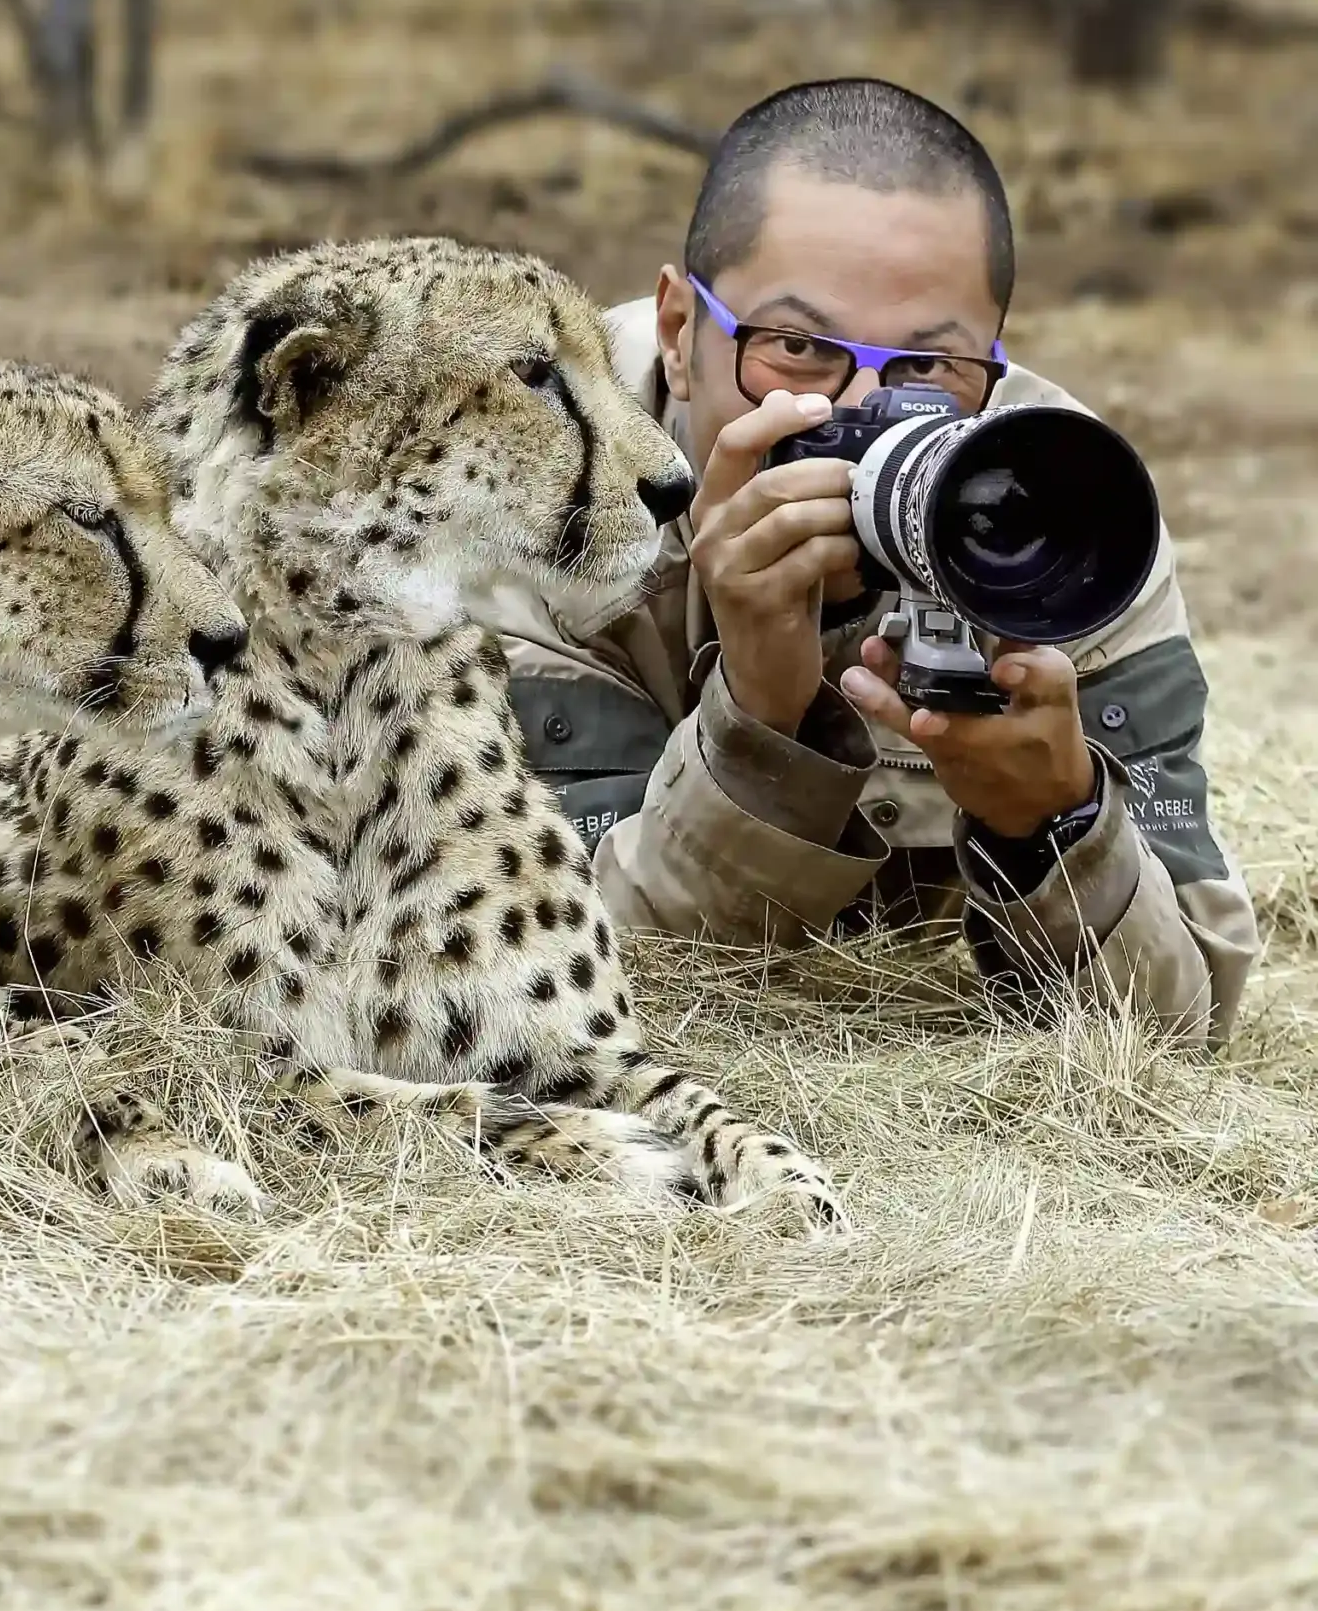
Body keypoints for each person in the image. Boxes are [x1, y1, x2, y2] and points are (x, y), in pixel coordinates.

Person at [493, 77, 1258, 1046]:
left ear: (994, 362)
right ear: (683, 336)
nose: (860, 414)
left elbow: (1183, 1024)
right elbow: (554, 994)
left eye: (928, 367)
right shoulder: (541, 504)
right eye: (800, 347)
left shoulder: (1062, 507)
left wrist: (1055, 820)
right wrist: (761, 716)